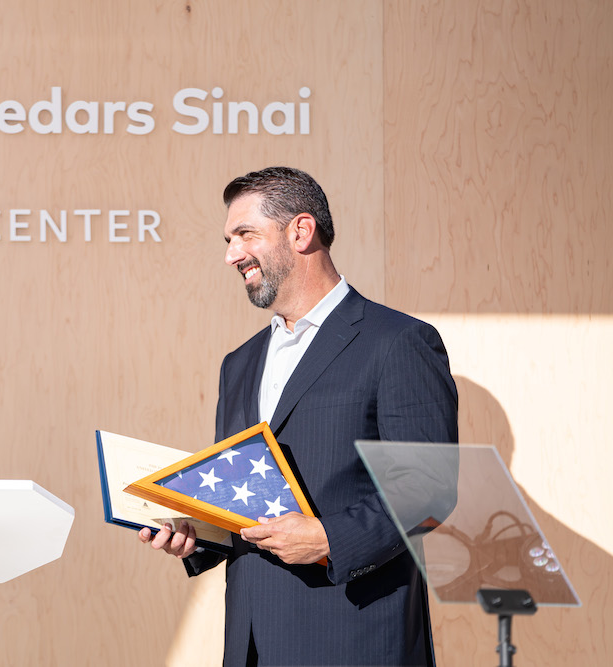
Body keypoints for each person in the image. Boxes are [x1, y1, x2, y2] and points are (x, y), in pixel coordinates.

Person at [139, 167, 458, 666]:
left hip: (355, 640)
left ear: (301, 231)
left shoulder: (398, 342)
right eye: (227, 240)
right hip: (252, 644)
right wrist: (196, 535)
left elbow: (428, 489)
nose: (231, 255)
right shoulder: (238, 364)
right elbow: (242, 498)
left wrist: (331, 538)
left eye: (245, 234)